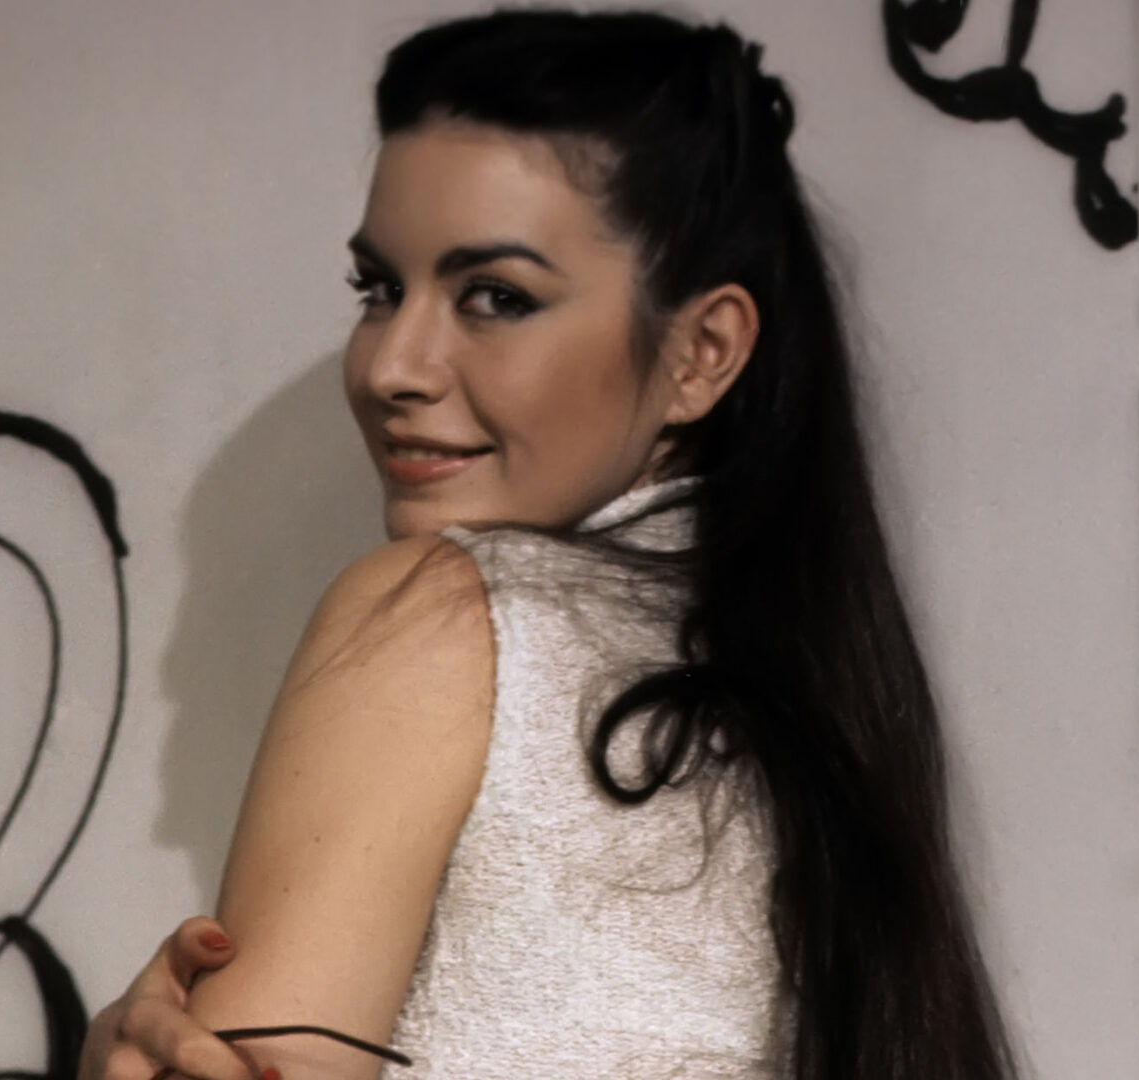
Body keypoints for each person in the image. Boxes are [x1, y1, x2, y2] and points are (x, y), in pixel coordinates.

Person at [79, 9, 1016, 1080]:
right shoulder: (822, 709)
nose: (392, 366)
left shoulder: (437, 614)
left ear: (702, 352)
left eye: (495, 297)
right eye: (379, 290)